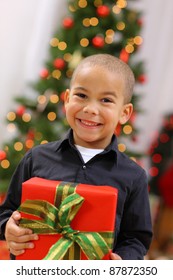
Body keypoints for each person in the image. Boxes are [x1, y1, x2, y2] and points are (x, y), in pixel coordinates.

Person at [0, 54, 152, 260]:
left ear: (124, 113)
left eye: (106, 100)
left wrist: (123, 261)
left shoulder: (134, 176)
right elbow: (7, 212)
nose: (90, 109)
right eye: (81, 96)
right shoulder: (36, 158)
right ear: (66, 99)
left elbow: (135, 239)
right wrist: (8, 228)